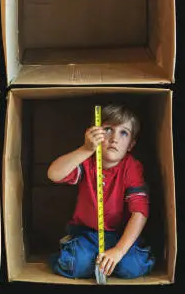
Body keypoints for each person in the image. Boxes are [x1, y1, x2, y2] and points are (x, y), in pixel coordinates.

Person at [47, 104, 155, 280]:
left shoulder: (132, 167)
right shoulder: (87, 160)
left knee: (132, 267)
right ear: (94, 134)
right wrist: (86, 149)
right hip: (86, 233)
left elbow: (140, 212)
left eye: (124, 133)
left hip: (121, 234)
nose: (114, 139)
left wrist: (118, 251)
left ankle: (105, 261)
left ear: (131, 145)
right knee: (76, 265)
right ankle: (82, 256)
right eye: (108, 130)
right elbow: (54, 174)